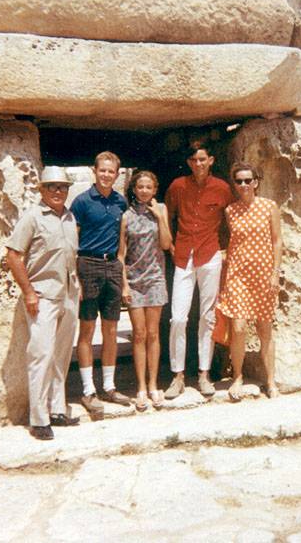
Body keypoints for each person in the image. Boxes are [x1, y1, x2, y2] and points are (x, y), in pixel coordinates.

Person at [6, 166, 80, 440]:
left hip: (68, 295)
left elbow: (70, 256)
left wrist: (77, 286)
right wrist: (28, 292)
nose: (58, 191)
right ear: (42, 190)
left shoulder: (70, 217)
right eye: (52, 186)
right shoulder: (32, 218)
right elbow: (13, 256)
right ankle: (38, 420)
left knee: (61, 355)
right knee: (41, 355)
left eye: (63, 187)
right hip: (43, 296)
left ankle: (57, 409)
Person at [164, 139, 234, 399]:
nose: (198, 164)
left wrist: (225, 248)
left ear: (211, 161)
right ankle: (178, 376)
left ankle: (204, 374)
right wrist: (171, 245)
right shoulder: (178, 186)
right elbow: (168, 214)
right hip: (183, 255)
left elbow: (231, 218)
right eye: (194, 160)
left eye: (202, 159)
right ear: (188, 162)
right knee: (178, 318)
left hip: (210, 254)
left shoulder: (222, 188)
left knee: (208, 316)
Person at [70, 151, 130, 420]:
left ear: (117, 174)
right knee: (87, 329)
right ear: (94, 171)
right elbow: (73, 242)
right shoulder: (82, 202)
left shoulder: (120, 202)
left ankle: (109, 386)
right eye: (102, 170)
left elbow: (122, 242)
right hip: (88, 264)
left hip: (112, 266)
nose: (106, 175)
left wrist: (121, 273)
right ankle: (88, 390)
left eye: (111, 171)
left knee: (111, 329)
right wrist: (76, 276)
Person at [217, 163, 283, 402]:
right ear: (234, 184)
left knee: (265, 330)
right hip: (238, 276)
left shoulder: (269, 207)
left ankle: (271, 381)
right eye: (239, 181)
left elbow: (277, 241)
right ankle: (237, 376)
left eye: (248, 180)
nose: (244, 185)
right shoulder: (230, 211)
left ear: (256, 182)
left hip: (263, 275)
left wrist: (275, 273)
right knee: (238, 328)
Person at [118, 170, 172, 411]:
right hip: (134, 281)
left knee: (153, 333)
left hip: (155, 278)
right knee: (139, 334)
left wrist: (159, 217)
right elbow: (121, 255)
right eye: (140, 187)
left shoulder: (161, 209)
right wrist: (125, 285)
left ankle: (153, 385)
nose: (144, 191)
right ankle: (140, 386)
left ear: (155, 189)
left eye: (148, 187)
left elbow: (166, 244)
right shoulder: (126, 216)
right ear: (134, 189)